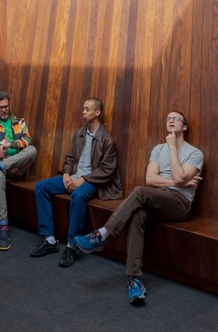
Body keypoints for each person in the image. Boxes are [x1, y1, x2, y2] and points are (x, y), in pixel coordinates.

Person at [73, 111, 204, 305]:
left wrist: (172, 148)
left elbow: (177, 177)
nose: (170, 120)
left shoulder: (195, 153)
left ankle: (102, 234)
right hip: (157, 199)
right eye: (167, 118)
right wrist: (179, 181)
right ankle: (134, 279)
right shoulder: (158, 149)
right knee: (137, 215)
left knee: (139, 192)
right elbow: (151, 179)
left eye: (175, 119)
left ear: (184, 127)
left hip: (179, 204)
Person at [30, 98, 122, 267]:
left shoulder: (107, 140)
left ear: (98, 112)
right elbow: (70, 158)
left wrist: (83, 179)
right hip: (73, 177)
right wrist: (66, 173)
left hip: (92, 181)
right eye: (83, 108)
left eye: (87, 109)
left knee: (78, 196)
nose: (83, 112)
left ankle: (72, 246)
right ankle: (49, 239)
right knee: (41, 187)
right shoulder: (79, 133)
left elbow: (107, 170)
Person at [0, 91, 37, 250]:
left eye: (6, 106)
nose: (4, 110)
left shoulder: (20, 121)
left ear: (10, 105)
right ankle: (3, 226)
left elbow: (27, 140)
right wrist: (0, 157)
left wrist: (10, 146)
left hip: (16, 163)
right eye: (0, 108)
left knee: (32, 150)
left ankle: (2, 167)